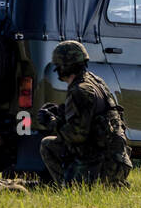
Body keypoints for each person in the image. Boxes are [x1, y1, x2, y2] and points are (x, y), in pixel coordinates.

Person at [38, 40, 133, 186]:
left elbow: (76, 136)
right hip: (118, 162)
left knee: (48, 145)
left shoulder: (80, 91)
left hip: (103, 165)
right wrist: (61, 113)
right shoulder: (95, 82)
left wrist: (52, 122)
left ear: (65, 66)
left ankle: (69, 187)